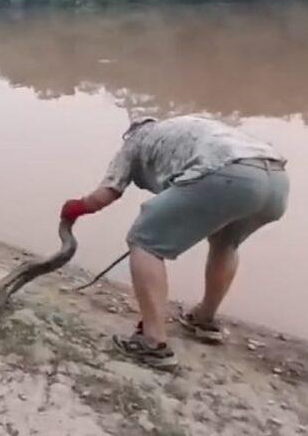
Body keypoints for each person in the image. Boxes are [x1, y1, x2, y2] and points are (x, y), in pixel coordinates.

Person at [61, 115, 289, 369]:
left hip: (229, 174)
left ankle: (152, 343)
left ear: (130, 133)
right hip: (276, 181)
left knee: (144, 242)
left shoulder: (134, 143)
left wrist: (74, 209)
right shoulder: (185, 126)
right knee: (226, 242)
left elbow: (105, 194)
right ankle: (203, 320)